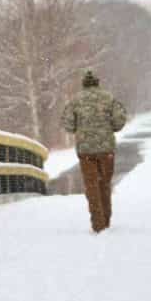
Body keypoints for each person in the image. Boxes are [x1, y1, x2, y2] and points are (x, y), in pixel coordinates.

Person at [60, 70, 127, 233]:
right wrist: (108, 127)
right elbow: (119, 121)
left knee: (91, 186)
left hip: (86, 151)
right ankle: (107, 220)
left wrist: (80, 128)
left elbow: (67, 124)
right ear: (97, 83)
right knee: (104, 183)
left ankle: (98, 223)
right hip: (106, 150)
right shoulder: (108, 98)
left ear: (84, 84)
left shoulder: (75, 100)